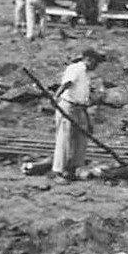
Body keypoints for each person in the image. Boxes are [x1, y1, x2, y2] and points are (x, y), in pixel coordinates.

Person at [52, 47, 103, 181]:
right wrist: (55, 97)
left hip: (80, 108)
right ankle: (58, 171)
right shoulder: (76, 68)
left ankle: (74, 168)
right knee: (64, 138)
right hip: (68, 106)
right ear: (89, 60)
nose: (96, 66)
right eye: (95, 63)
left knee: (81, 138)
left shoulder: (86, 73)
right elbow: (67, 84)